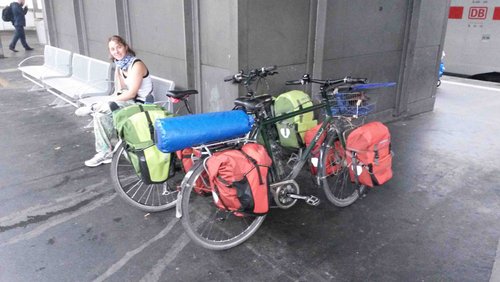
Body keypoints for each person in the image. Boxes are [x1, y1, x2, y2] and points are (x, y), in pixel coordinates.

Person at [75, 35, 153, 167]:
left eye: (119, 47)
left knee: (105, 106)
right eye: (112, 49)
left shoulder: (136, 64)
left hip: (142, 104)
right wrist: (108, 100)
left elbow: (132, 93)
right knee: (100, 116)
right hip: (129, 102)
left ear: (125, 47)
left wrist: (108, 101)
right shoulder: (120, 66)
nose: (116, 51)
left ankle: (93, 107)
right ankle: (105, 153)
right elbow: (120, 91)